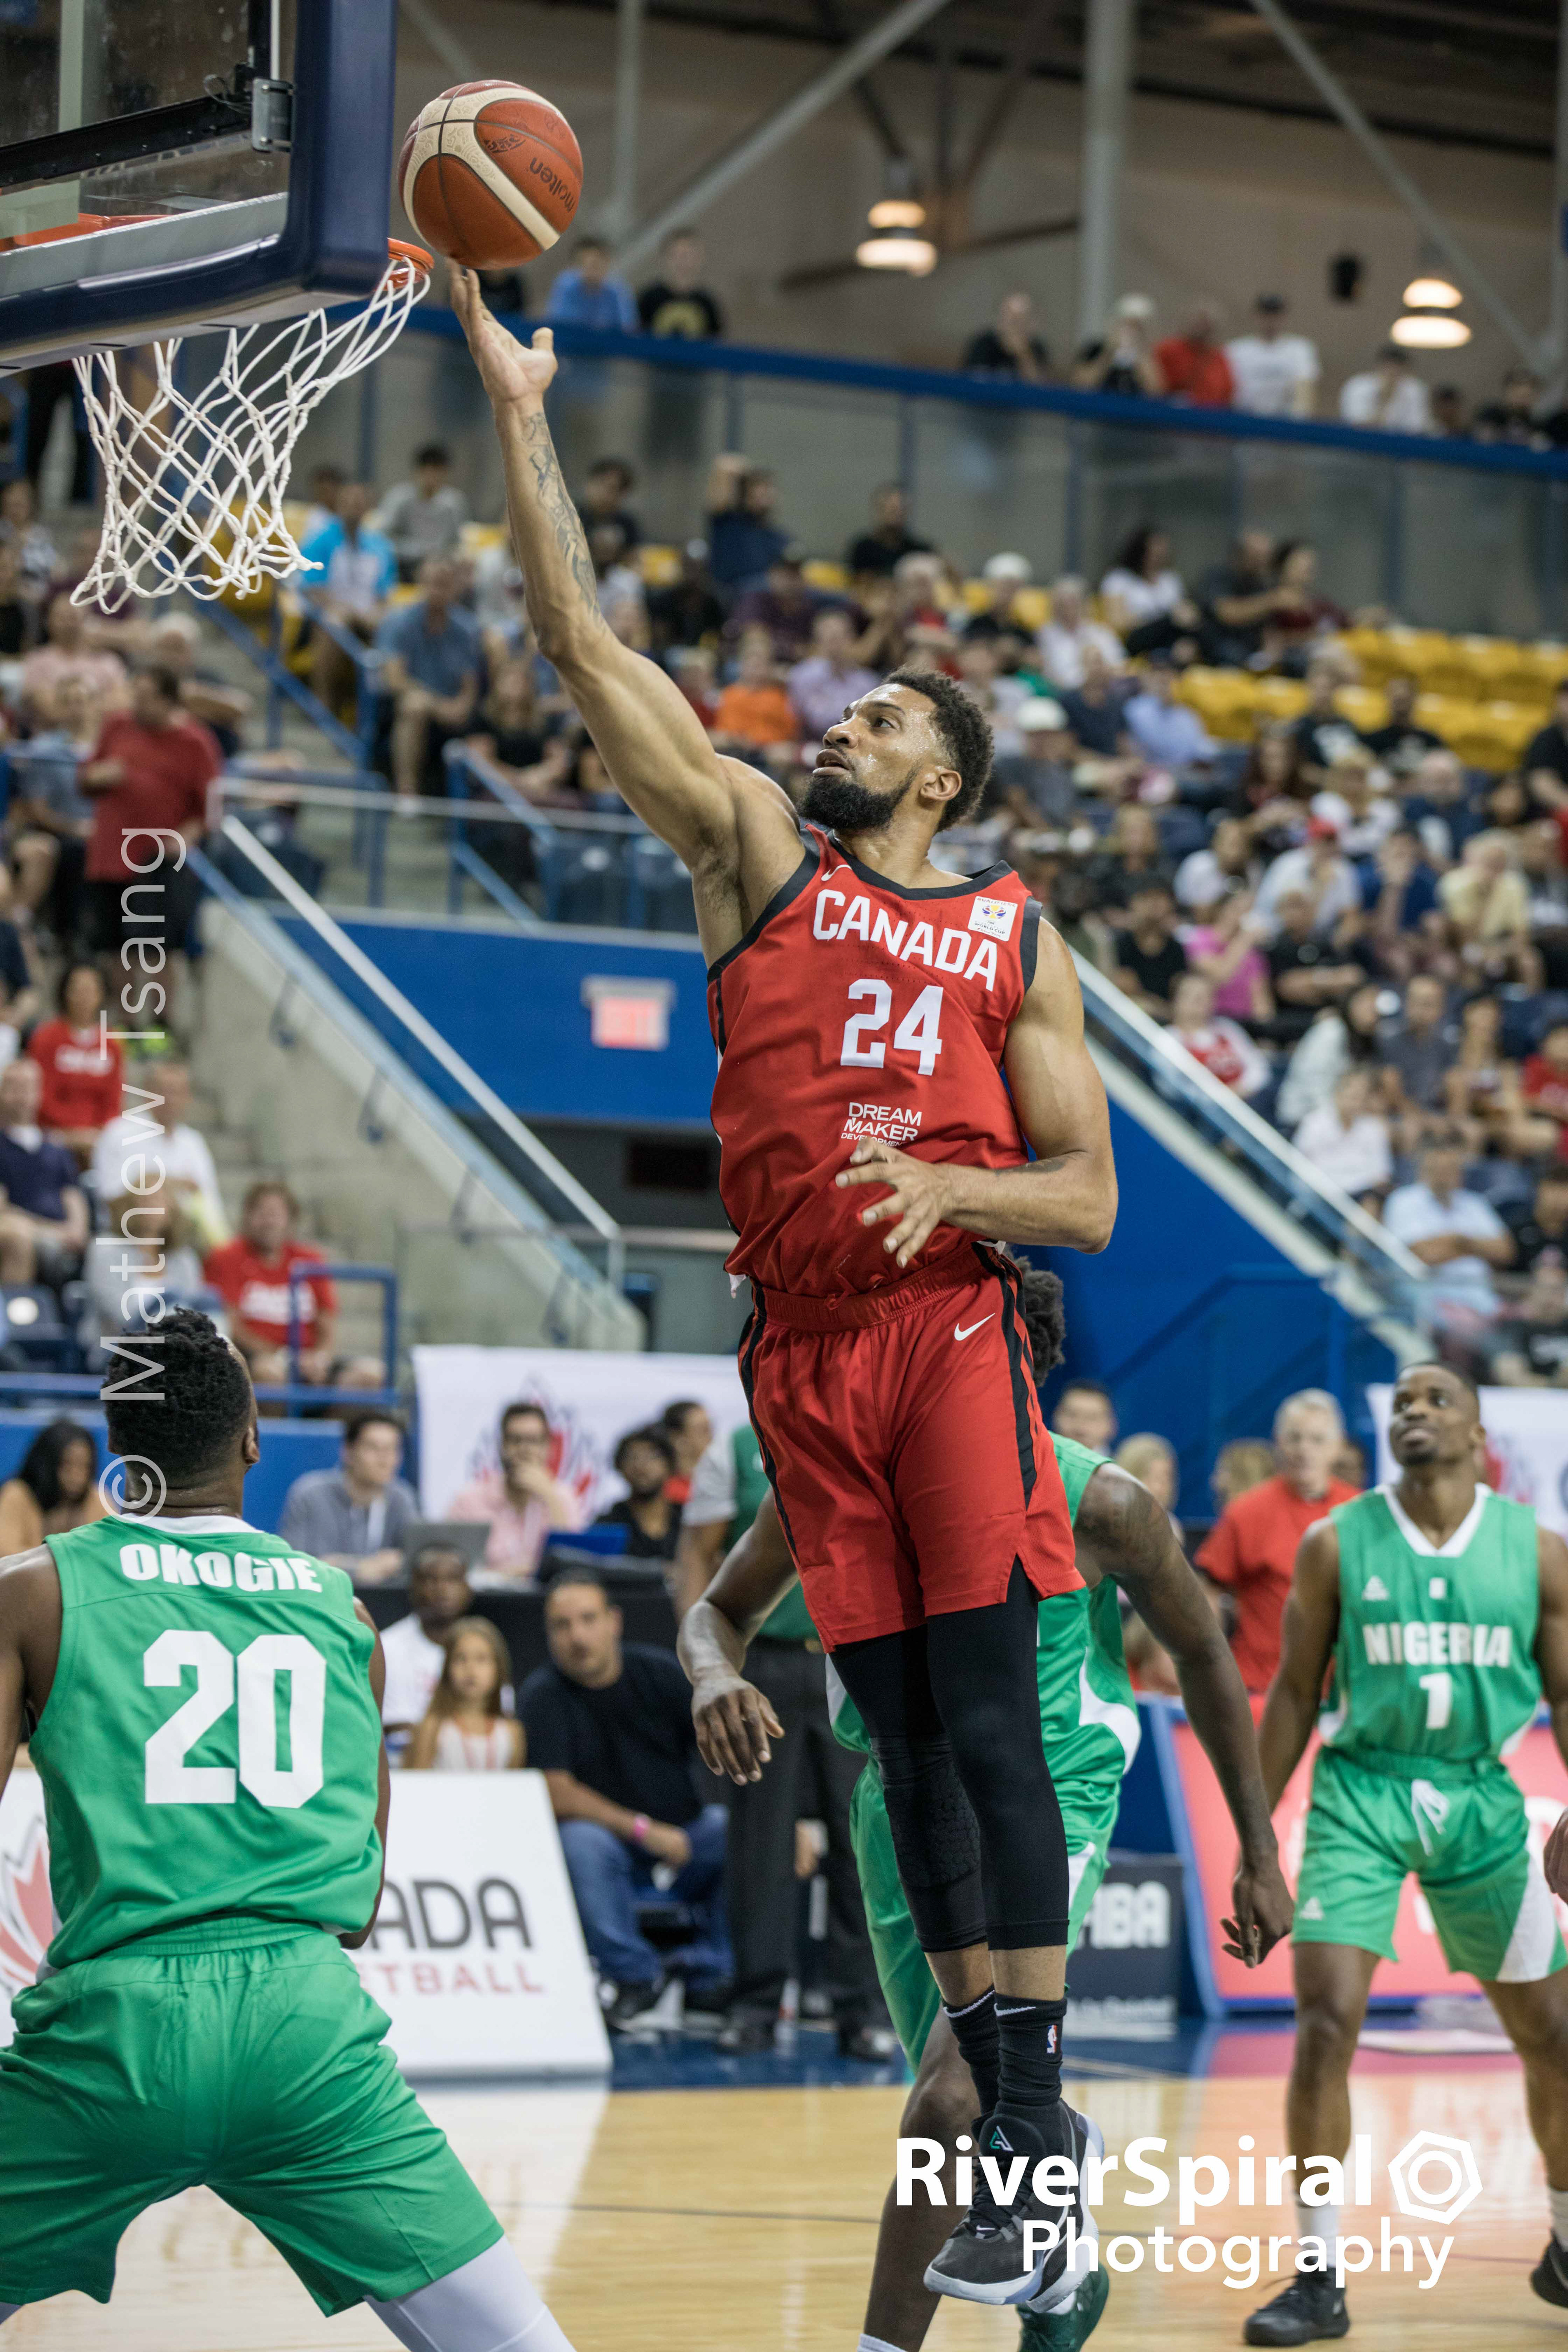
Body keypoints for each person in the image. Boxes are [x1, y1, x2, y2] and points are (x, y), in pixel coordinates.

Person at [453, 265, 1119, 2302]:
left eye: (884, 715)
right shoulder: (755, 847)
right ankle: (1015, 2117)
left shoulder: (1012, 931)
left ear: (943, 777)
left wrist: (953, 1188)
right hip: (799, 1353)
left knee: (992, 1721)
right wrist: (525, 409)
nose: (839, 718)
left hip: (942, 1330)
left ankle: (1025, 2124)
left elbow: (1083, 1197)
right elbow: (578, 643)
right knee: (900, 1745)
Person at [680, 1261, 1291, 2345]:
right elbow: (716, 1612)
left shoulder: (1101, 1498)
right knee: (971, 2101)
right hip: (903, 1808)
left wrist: (1257, 1847)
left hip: (1053, 1796)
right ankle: (1060, 2276)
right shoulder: (834, 1481)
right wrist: (715, 1674)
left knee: (952, 2100)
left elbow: (1205, 1652)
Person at [0, 1307, 575, 2344]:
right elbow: (359, 1906)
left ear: (120, 1445)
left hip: (111, 2031)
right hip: (302, 2026)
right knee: (513, 2338)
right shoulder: (344, 1612)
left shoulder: (33, 1590)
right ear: (254, 1435)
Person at [1249, 1361, 1568, 2345]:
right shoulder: (1333, 1542)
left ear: (1478, 1432)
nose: (1412, 1410)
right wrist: (1254, 1839)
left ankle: (1563, 2239)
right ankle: (1316, 2272)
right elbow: (1294, 1692)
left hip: (1479, 1791)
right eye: (1401, 1402)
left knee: (1554, 2035)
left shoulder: (1538, 1552)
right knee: (1324, 2020)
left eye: (1436, 1399)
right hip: (1360, 1789)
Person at [673, 1417, 890, 2059]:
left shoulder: (867, 1437)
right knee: (759, 1843)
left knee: (864, 1843)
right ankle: (756, 2005)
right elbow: (696, 1555)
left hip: (850, 1657)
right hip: (761, 1662)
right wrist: (708, 1668)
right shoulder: (735, 1451)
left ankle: (864, 2011)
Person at [521, 1571, 730, 2027]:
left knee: (733, 1829)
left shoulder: (659, 1674)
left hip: (686, 1837)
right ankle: (635, 1976)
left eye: (588, 1619)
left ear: (614, 1622)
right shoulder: (543, 1697)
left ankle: (710, 1977)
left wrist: (787, 1823)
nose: (578, 1636)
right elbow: (556, 1791)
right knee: (581, 1842)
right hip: (618, 1846)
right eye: (562, 1625)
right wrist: (643, 1830)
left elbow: (721, 1744)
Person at [1197, 1388, 1359, 1693]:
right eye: (1294, 1438)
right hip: (1261, 1687)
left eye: (1317, 1440)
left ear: (1337, 1447)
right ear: (1278, 1442)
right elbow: (1208, 1591)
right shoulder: (1246, 1512)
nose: (1304, 1450)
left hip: (1342, 1690)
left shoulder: (1360, 1514)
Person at [78, 667, 219, 963]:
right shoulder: (117, 726)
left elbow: (210, 810)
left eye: (146, 698)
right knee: (113, 949)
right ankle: (122, 1011)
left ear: (169, 701)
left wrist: (185, 837)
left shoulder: (196, 743)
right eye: (135, 696)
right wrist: (98, 776)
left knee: (158, 950)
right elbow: (85, 779)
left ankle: (161, 1011)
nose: (137, 705)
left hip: (157, 863)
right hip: (109, 857)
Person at [202, 1180, 347, 1390]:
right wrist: (282, 1355)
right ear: (247, 1217)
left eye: (276, 1214)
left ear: (291, 1220)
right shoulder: (226, 1258)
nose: (269, 1222)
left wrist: (321, 1357)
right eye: (262, 1213)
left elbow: (327, 1320)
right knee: (269, 1375)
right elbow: (230, 1325)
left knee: (369, 1376)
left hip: (309, 1360)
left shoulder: (311, 1260)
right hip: (252, 1358)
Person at [374, 558, 483, 799]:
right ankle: (407, 792)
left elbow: (470, 686)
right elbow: (395, 680)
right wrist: (437, 705)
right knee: (414, 707)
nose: (438, 591)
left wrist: (461, 707)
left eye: (445, 584)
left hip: (452, 711)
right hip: (402, 708)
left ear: (455, 587)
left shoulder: (467, 630)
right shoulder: (398, 622)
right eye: (433, 583)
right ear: (421, 584)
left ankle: (472, 811)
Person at [1385, 1130, 1516, 1331]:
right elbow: (1422, 1255)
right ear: (1424, 1169)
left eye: (1451, 1169)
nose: (1445, 1176)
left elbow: (1505, 1251)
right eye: (1438, 1169)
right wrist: (1475, 1247)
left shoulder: (1475, 1203)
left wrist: (1458, 1241)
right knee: (1472, 1332)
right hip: (1431, 1298)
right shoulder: (1404, 1201)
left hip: (1483, 1298)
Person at [91, 1059, 225, 1247]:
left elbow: (208, 1201)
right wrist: (172, 1184)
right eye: (163, 1091)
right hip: (127, 1238)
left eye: (177, 1092)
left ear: (188, 1097)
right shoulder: (118, 1134)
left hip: (185, 1240)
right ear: (146, 1093)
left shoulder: (194, 1143)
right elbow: (110, 1200)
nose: (170, 1100)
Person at [448, 1399, 582, 1582]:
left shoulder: (564, 1497)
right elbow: (454, 1569)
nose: (525, 1450)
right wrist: (502, 1576)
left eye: (534, 1441)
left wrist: (550, 1497)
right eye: (516, 1440)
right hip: (487, 1601)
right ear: (502, 1446)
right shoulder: (469, 1500)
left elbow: (573, 1565)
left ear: (549, 1448)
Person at [279, 1410, 421, 1582]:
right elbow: (292, 1565)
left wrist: (336, 1563)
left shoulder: (403, 1497)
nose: (385, 1459)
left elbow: (415, 1558)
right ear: (348, 1452)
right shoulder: (310, 1494)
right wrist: (361, 1569)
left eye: (393, 1449)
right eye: (373, 1448)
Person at [298, 483, 397, 711]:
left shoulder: (380, 546)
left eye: (360, 503)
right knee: (334, 624)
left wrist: (374, 616)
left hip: (368, 616)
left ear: (368, 508)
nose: (354, 508)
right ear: (339, 506)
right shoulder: (319, 539)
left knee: (396, 630)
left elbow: (384, 596)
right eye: (349, 503)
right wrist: (347, 611)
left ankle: (382, 712)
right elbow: (313, 589)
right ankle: (323, 707)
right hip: (329, 613)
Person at [0, 1056, 88, 1287]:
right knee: (19, 1238)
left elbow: (73, 1195)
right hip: (25, 1235)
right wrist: (51, 1232)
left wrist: (76, 1230)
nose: (21, 1096)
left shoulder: (57, 1148)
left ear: (40, 1093)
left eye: (28, 1088)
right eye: (13, 1088)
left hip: (62, 1239)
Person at [25, 961, 121, 1166]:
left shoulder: (112, 1044)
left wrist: (95, 1134)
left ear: (101, 994)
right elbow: (41, 1094)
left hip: (97, 1138)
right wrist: (72, 1134)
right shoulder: (46, 1038)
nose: (84, 997)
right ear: (65, 993)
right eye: (77, 990)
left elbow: (113, 1101)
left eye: (90, 990)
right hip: (51, 1133)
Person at [379, 1541, 475, 1743]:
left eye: (453, 1579)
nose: (443, 1589)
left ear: (468, 1589)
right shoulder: (386, 1648)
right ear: (413, 1587)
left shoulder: (483, 1648)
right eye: (431, 1580)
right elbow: (394, 1727)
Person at [405, 1619, 525, 1770]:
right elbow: (416, 1786)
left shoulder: (512, 1732)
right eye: (460, 1659)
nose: (471, 1669)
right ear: (447, 1668)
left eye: (481, 1659)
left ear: (499, 1668)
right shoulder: (432, 1728)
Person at [0, 1418, 104, 1555]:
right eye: (68, 1465)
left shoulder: (96, 1497)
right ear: (47, 1464)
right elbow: (5, 1555)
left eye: (84, 1467)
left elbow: (115, 1549)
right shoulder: (17, 1494)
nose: (76, 1476)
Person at [1291, 1068, 1393, 1206]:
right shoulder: (1314, 1123)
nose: (1357, 1104)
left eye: (1362, 1099)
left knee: (1372, 1204)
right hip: (1320, 1194)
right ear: (1338, 1094)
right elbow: (1299, 1165)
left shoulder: (1374, 1128)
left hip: (1360, 1194)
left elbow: (1381, 1174)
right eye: (1353, 1097)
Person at [788, 608, 879, 749]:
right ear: (818, 641)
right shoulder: (802, 676)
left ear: (852, 639)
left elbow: (869, 728)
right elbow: (794, 722)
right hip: (810, 746)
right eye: (828, 638)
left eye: (838, 638)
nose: (834, 645)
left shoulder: (868, 683)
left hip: (853, 748)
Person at [1169, 970, 1270, 1096]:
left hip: (1247, 1098)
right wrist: (1223, 1096)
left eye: (1206, 996)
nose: (1200, 1002)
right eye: (1192, 996)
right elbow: (1177, 1085)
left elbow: (1258, 1067)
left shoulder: (1227, 1028)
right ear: (1175, 1000)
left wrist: (1241, 1088)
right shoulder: (1168, 1039)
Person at [375, 443, 468, 581]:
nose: (431, 476)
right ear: (418, 471)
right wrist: (415, 549)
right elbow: (382, 538)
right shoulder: (399, 498)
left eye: (437, 471)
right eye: (427, 470)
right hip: (406, 563)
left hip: (441, 564)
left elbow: (456, 541)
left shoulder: (454, 502)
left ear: (445, 473)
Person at [595, 1425, 682, 1561]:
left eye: (652, 1457)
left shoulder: (689, 1521)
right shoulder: (607, 1526)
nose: (641, 1466)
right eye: (632, 1457)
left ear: (670, 1465)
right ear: (620, 1468)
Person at [1225, 294, 1319, 419]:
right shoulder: (1235, 350)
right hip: (1244, 422)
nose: (1270, 320)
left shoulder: (1300, 349)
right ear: (1256, 316)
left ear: (1283, 317)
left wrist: (1299, 426)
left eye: (1275, 315)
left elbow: (1305, 392)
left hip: (1284, 424)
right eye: (1265, 314)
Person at [704, 453, 789, 591]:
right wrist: (750, 475)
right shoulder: (727, 522)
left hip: (766, 599)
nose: (763, 494)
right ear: (745, 495)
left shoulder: (779, 537)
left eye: (768, 489)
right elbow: (724, 465)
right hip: (730, 594)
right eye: (758, 490)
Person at [1486, 1253, 1568, 1387]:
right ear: (1531, 1292)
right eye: (1545, 1289)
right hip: (1528, 1395)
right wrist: (1549, 1386)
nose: (1551, 1297)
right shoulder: (1515, 1328)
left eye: (1557, 1290)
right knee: (1507, 1365)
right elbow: (1507, 1367)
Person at [1035, 576, 1123, 693]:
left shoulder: (1101, 632)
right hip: (1064, 693)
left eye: (1073, 602)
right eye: (1062, 603)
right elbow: (1050, 674)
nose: (1068, 609)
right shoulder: (1044, 635)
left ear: (1084, 604)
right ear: (1054, 606)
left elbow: (1118, 666)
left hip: (1104, 691)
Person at [1112, 883, 1188, 1018]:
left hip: (1167, 1018)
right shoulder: (1122, 944)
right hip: (1129, 1016)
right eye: (1148, 899)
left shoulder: (1176, 949)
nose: (1153, 906)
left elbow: (1179, 993)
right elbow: (1126, 989)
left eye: (1159, 900)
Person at [637, 229, 724, 338]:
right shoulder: (648, 300)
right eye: (677, 255)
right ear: (665, 258)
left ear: (699, 258)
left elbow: (717, 346)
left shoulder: (707, 303)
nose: (682, 261)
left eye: (688, 255)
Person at [1071, 294, 1162, 399]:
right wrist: (1109, 352)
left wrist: (1140, 356)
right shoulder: (1096, 349)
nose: (1131, 332)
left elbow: (1157, 392)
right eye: (1127, 325)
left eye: (1137, 327)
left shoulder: (1148, 357)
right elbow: (1081, 385)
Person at [543, 236, 637, 332]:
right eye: (584, 264)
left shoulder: (618, 290)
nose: (592, 271)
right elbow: (557, 325)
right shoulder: (565, 285)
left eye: (596, 265)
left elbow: (628, 330)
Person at [1339, 344, 1432, 434]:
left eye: (1398, 367)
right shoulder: (1358, 385)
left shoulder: (1415, 389)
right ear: (1379, 365)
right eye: (1389, 367)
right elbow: (1355, 424)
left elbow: (1417, 427)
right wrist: (1384, 399)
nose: (1393, 371)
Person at [846, 483, 931, 580]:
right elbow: (855, 583)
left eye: (902, 510)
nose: (897, 515)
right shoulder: (863, 549)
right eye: (892, 509)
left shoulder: (919, 550)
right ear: (879, 510)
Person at [1154, 303, 1234, 407]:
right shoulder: (1168, 349)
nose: (1200, 326)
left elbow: (1226, 393)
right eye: (1198, 320)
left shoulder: (1218, 358)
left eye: (1205, 322)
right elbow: (1155, 386)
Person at [962, 291, 1049, 380]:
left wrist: (1023, 354)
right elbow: (971, 379)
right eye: (1010, 316)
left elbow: (1038, 386)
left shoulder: (1037, 349)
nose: (1014, 323)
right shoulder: (983, 343)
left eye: (1021, 318)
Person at [1051, 1381, 1117, 1454]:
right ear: (1056, 1416)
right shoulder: (1039, 1461)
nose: (1080, 1428)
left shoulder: (1123, 1464)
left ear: (1111, 1424)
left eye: (1092, 1418)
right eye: (1072, 1415)